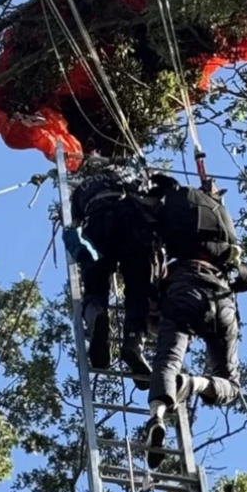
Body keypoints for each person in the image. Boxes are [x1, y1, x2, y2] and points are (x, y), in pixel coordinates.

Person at [143, 173, 247, 469]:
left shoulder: (173, 217)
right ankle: (194, 383)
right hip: (223, 300)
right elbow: (244, 273)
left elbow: (151, 254)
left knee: (168, 358)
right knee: (231, 386)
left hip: (185, 289)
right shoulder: (222, 225)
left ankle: (157, 414)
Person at [68, 157, 160, 390]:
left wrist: (82, 253)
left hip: (97, 223)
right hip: (132, 224)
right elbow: (151, 199)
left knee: (96, 285)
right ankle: (133, 343)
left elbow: (75, 226)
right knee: (139, 290)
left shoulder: (81, 189)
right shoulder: (127, 177)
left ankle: (97, 314)